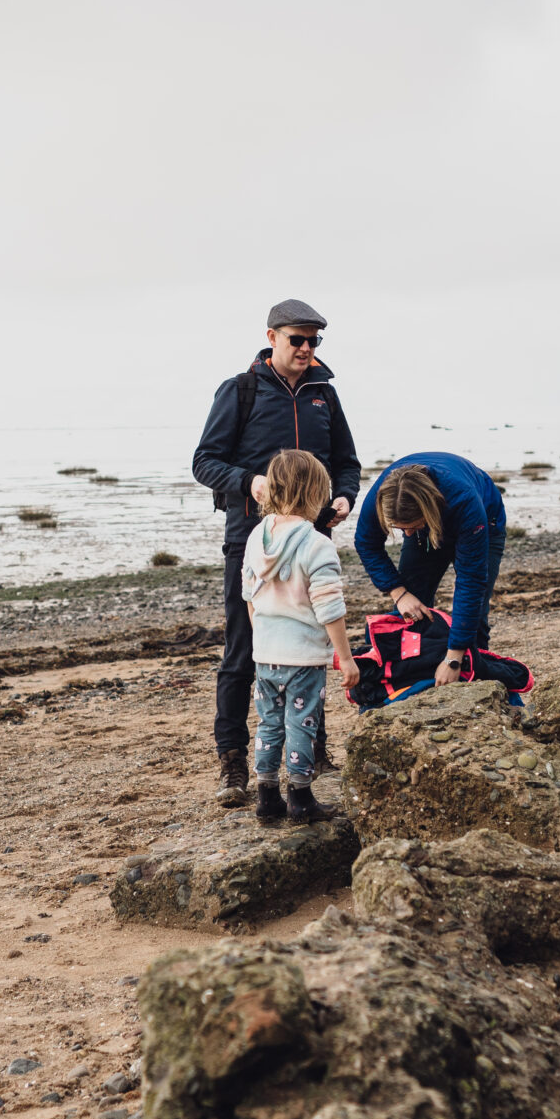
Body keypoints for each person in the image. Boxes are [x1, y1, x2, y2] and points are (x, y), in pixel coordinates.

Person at [192, 299, 361, 805]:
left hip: (314, 538)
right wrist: (251, 482)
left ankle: (315, 752)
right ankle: (233, 765)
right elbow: (204, 462)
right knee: (243, 649)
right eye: (297, 339)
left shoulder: (324, 396)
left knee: (313, 644)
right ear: (272, 337)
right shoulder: (240, 391)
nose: (307, 349)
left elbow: (346, 462)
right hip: (252, 539)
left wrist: (344, 495)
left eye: (314, 341)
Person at [240, 450, 355, 826]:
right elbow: (329, 608)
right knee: (301, 723)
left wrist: (262, 638)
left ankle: (267, 796)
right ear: (317, 493)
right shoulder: (316, 543)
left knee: (269, 723)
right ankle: (301, 798)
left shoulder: (257, 536)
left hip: (265, 653)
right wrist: (346, 657)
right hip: (303, 657)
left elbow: (249, 596)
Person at [353, 452, 506, 684]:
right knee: (412, 610)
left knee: (476, 616)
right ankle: (411, 678)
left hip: (484, 517)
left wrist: (453, 658)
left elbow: (470, 582)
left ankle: (474, 679)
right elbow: (366, 543)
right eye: (399, 528)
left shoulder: (463, 501)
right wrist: (399, 592)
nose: (406, 534)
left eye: (411, 526)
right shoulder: (381, 497)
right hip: (428, 525)